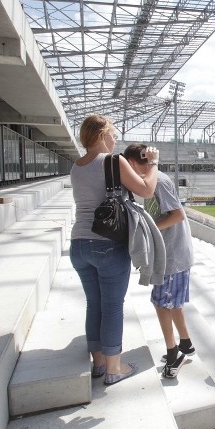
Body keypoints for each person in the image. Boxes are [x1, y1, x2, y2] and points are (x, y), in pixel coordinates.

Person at [70, 116, 160, 386]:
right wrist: (153, 162)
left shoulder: (77, 166)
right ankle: (114, 368)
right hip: (106, 245)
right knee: (112, 307)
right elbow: (147, 189)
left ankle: (98, 363)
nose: (116, 139)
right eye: (113, 134)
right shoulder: (113, 161)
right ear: (102, 134)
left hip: (78, 244)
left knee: (93, 304)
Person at [123, 143, 195, 378]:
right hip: (172, 253)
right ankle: (185, 344)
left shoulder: (159, 181)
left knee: (161, 303)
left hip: (172, 255)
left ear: (133, 162)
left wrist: (148, 229)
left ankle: (174, 352)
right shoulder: (150, 182)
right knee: (171, 302)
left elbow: (177, 214)